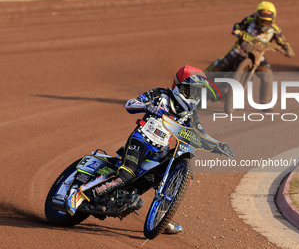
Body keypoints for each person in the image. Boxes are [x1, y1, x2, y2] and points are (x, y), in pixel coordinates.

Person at [65, 65, 231, 234]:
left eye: (196, 93)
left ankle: (163, 214)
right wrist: (148, 107)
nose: (192, 97)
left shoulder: (189, 114)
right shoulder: (161, 95)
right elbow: (130, 104)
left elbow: (200, 133)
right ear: (178, 87)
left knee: (181, 177)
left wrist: (218, 145)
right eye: (189, 91)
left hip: (160, 151)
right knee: (126, 174)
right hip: (141, 140)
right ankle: (79, 195)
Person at [206, 1, 295, 106]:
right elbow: (236, 27)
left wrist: (288, 50)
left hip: (258, 56)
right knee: (221, 66)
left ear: (273, 20)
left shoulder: (275, 30)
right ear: (256, 17)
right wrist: (238, 32)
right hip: (241, 50)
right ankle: (198, 84)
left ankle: (265, 103)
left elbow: (283, 42)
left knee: (268, 76)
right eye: (261, 20)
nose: (263, 24)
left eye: (266, 21)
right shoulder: (249, 20)